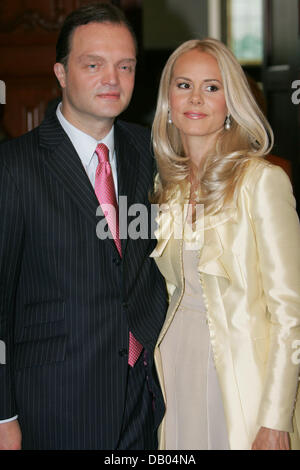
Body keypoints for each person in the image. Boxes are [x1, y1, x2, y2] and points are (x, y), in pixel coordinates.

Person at [0, 3, 167, 450]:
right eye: (93, 64)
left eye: (125, 66)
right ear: (60, 72)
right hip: (53, 406)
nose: (112, 79)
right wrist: (3, 416)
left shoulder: (149, 151)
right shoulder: (13, 167)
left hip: (146, 397)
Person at [150, 38, 300, 450]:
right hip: (176, 364)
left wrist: (276, 415)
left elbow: (291, 313)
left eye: (212, 87)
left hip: (243, 377)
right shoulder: (168, 185)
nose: (196, 98)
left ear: (231, 101)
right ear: (168, 99)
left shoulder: (262, 182)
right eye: (183, 85)